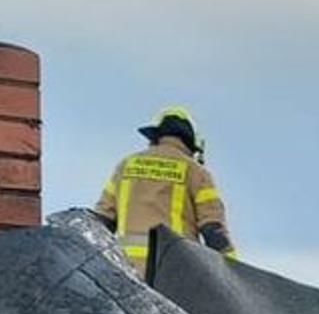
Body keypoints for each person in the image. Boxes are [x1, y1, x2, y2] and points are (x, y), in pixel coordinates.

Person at [93, 106, 236, 275]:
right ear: (191, 143)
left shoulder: (125, 166)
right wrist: (235, 272)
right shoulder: (196, 172)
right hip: (175, 272)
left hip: (124, 270)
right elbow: (213, 229)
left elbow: (101, 222)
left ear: (155, 136)